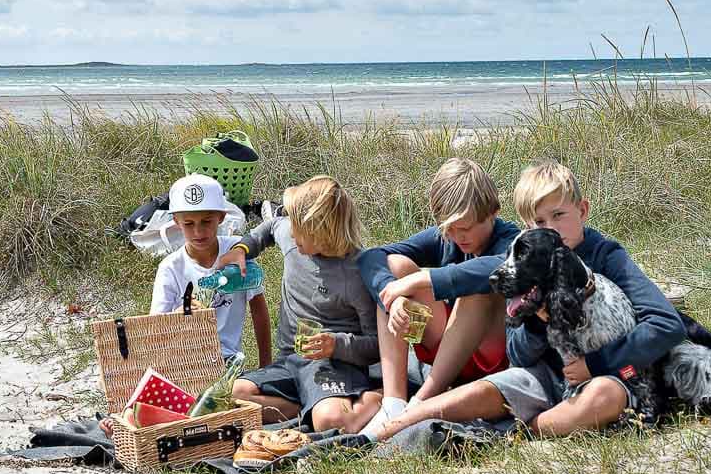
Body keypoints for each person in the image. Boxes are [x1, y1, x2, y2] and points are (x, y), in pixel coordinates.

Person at [376, 160, 685, 441]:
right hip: (543, 376)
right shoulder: (525, 268)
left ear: (583, 211)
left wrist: (595, 364)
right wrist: (537, 321)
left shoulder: (607, 255)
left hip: (603, 376)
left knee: (603, 396)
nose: (550, 228)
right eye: (538, 222)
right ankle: (390, 429)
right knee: (484, 391)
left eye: (559, 215)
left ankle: (522, 430)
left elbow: (667, 324)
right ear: (527, 228)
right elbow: (518, 353)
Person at [357, 158, 516, 438]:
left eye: (465, 228)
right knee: (396, 267)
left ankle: (422, 400)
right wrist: (394, 299)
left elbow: (502, 266)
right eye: (449, 229)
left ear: (493, 213)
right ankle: (394, 402)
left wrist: (423, 278)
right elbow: (372, 257)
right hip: (449, 348)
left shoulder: (512, 239)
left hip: (493, 355)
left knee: (475, 288)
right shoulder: (449, 235)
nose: (457, 237)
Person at [216, 175, 381, 432]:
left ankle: (375, 397)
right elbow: (270, 227)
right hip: (291, 361)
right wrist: (243, 248)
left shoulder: (359, 272)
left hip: (335, 366)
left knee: (331, 422)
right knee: (235, 393)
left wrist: (336, 345)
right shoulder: (293, 239)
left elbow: (377, 345)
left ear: (321, 232)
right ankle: (306, 408)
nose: (291, 231)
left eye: (298, 228)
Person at [150, 173, 271, 365]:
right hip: (182, 362)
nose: (198, 232)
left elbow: (258, 308)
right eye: (189, 224)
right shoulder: (170, 268)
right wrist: (177, 316)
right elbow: (153, 330)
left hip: (227, 359)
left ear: (221, 217)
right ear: (176, 221)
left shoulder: (237, 252)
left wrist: (266, 364)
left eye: (206, 221)